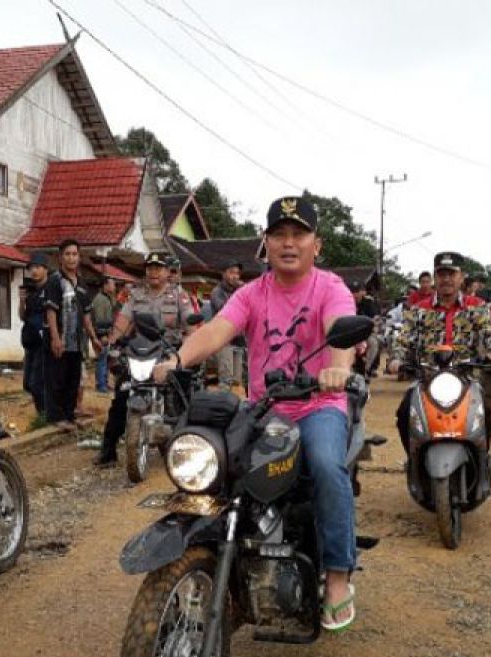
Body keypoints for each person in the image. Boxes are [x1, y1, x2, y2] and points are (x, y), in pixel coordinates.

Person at [154, 196, 360, 631]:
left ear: (316, 244)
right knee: (221, 468)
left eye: (298, 234)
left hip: (318, 406)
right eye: (279, 235)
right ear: (265, 243)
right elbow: (215, 330)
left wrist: (338, 370)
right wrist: (176, 361)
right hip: (265, 409)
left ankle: (338, 575)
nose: (289, 243)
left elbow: (340, 330)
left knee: (325, 466)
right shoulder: (252, 293)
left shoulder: (331, 288)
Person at [389, 251, 491, 454]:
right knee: (404, 413)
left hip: (466, 378)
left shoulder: (477, 307)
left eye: (452, 274)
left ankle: (482, 463)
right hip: (426, 378)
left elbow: (490, 335)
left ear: (461, 277)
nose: (446, 279)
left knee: (484, 412)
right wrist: (396, 359)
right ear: (435, 278)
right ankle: (415, 460)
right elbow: (403, 339)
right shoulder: (418, 309)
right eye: (441, 274)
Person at [94, 252, 194, 467]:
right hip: (139, 352)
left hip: (168, 353)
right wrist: (111, 341)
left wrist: (186, 349)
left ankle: (187, 444)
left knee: (183, 396)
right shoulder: (136, 295)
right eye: (150, 268)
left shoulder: (178, 296)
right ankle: (108, 450)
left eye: (158, 268)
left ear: (168, 272)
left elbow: (190, 325)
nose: (154, 272)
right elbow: (123, 320)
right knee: (121, 396)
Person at [44, 239, 101, 431]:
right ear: (60, 258)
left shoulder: (82, 283)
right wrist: (55, 337)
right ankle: (55, 417)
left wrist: (93, 338)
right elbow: (51, 311)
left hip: (76, 342)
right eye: (67, 254)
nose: (71, 258)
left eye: (74, 254)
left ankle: (69, 415)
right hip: (59, 339)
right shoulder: (55, 280)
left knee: (72, 380)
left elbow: (86, 315)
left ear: (79, 257)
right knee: (56, 379)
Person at [18, 252, 51, 415]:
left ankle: (45, 415)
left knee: (37, 383)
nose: (34, 271)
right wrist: (22, 300)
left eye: (38, 267)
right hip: (30, 343)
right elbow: (23, 317)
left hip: (44, 344)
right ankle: (43, 413)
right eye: (32, 268)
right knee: (28, 385)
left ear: (45, 269)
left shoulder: (51, 290)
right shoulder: (32, 292)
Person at [210, 263, 245, 389]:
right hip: (224, 341)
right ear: (223, 274)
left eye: (237, 273)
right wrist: (240, 292)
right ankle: (222, 405)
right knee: (226, 379)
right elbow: (227, 310)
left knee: (238, 380)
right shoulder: (217, 292)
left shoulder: (240, 291)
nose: (235, 276)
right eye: (231, 272)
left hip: (239, 340)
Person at [90, 276, 119, 394]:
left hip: (107, 333)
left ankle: (104, 383)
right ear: (105, 285)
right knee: (102, 359)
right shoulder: (101, 300)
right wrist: (102, 335)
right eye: (112, 284)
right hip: (102, 334)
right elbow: (100, 320)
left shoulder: (106, 298)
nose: (114, 286)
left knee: (106, 360)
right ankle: (101, 385)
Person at [350, 281, 382, 377]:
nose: (355, 294)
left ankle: (367, 369)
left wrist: (374, 325)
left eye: (357, 291)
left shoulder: (368, 302)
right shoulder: (345, 302)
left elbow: (376, 317)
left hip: (366, 333)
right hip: (351, 333)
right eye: (352, 291)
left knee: (374, 342)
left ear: (362, 292)